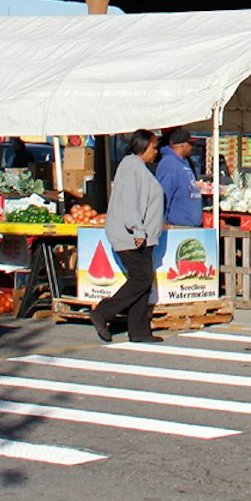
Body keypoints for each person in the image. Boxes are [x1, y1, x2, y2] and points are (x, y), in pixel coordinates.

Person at [91, 130, 165, 344]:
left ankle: (139, 330)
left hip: (142, 236)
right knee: (141, 278)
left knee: (142, 281)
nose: (156, 152)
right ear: (143, 146)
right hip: (132, 236)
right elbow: (131, 201)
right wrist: (138, 229)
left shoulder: (137, 167)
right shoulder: (131, 167)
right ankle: (103, 312)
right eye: (153, 147)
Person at [155, 126, 203, 227]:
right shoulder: (168, 164)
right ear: (182, 145)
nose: (192, 147)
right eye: (190, 144)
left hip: (190, 226)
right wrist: (161, 221)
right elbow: (163, 194)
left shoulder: (184, 162)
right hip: (177, 227)